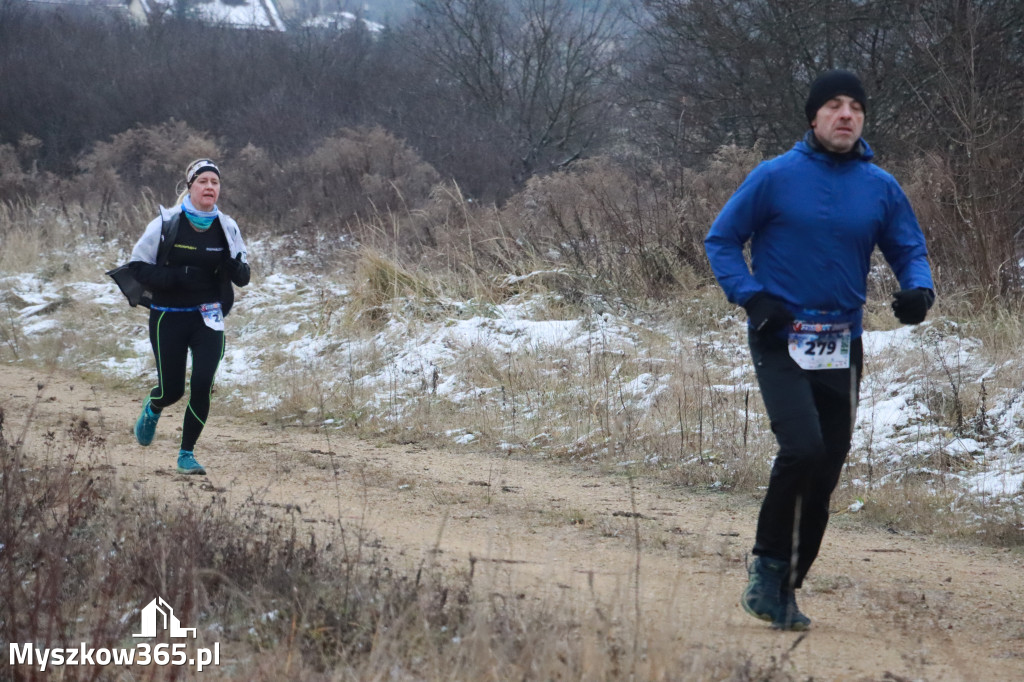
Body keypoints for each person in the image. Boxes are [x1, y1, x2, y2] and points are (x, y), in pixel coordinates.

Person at [704, 70, 934, 630]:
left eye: (855, 106)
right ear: (814, 116)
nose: (846, 115)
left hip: (841, 342)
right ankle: (766, 568)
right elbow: (722, 240)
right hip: (780, 336)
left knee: (826, 468)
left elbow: (909, 246)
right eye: (834, 105)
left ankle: (783, 586)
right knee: (802, 448)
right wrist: (753, 298)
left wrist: (918, 288)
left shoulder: (879, 185)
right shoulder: (775, 177)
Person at [128, 159, 250, 475]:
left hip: (208, 317)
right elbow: (137, 268)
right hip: (168, 316)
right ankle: (154, 406)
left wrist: (238, 270)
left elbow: (244, 276)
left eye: (215, 182)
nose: (210, 187)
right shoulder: (166, 223)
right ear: (190, 186)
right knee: (172, 391)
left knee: (202, 384)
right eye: (203, 181)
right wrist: (177, 276)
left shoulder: (227, 226)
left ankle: (186, 454)